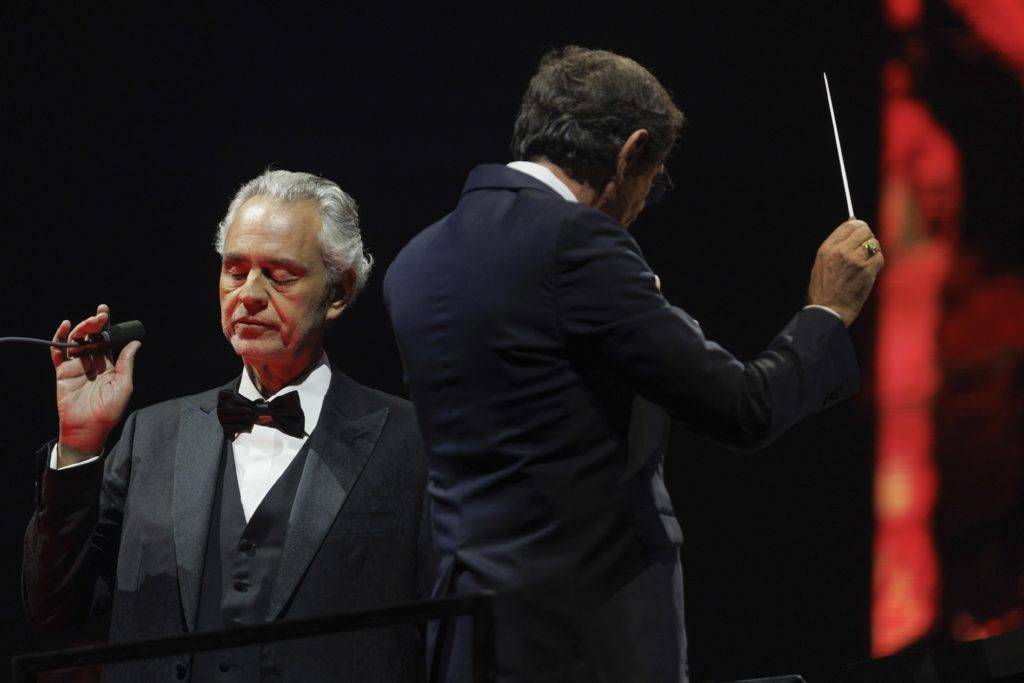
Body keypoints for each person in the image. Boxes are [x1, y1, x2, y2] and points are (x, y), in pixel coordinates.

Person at [383, 46, 884, 682]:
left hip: (469, 641)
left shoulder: (416, 262)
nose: (648, 201)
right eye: (655, 178)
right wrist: (828, 312)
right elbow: (742, 408)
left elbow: (537, 411)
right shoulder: (578, 242)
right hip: (589, 636)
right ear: (631, 153)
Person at [23, 170, 433, 682]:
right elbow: (53, 610)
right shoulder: (150, 437)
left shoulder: (411, 442)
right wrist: (80, 445)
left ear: (339, 292)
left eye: (280, 274)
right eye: (235, 271)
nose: (250, 294)